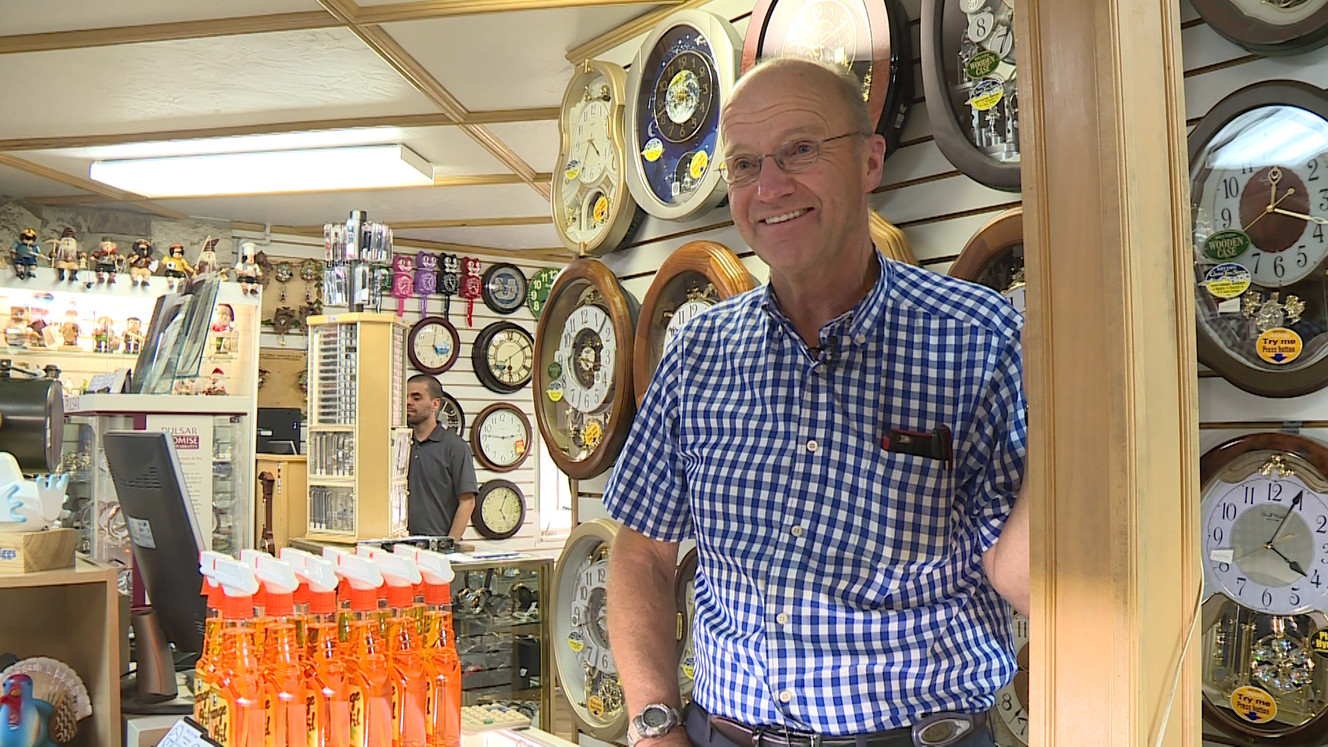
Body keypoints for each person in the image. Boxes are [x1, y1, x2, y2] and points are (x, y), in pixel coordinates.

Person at [603, 57, 1030, 747]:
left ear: (870, 162)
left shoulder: (980, 339)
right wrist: (653, 723)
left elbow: (1025, 577)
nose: (769, 186)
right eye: (744, 165)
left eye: (800, 149)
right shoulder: (697, 350)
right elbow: (641, 553)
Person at [405, 373, 478, 539]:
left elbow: (467, 502)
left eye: (416, 398)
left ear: (435, 404)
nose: (408, 402)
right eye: (407, 397)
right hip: (402, 547)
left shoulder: (455, 447)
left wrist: (448, 545)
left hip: (437, 549)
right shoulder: (400, 444)